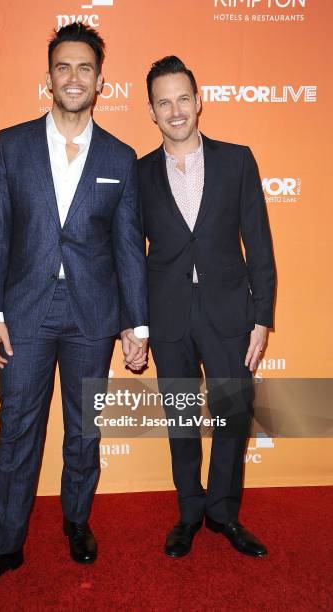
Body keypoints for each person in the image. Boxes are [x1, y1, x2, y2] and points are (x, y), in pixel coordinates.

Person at [0, 23, 148, 596]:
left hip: (94, 314)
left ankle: (76, 521)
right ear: (48, 78)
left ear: (99, 83)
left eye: (85, 68)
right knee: (17, 429)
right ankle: (3, 547)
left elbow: (128, 247)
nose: (73, 77)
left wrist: (136, 325)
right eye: (63, 67)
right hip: (24, 313)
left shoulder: (120, 155)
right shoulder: (10, 144)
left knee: (84, 429)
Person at [135, 56, 275, 559]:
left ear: (200, 101)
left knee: (233, 417)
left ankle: (224, 513)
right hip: (168, 313)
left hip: (230, 312)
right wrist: (135, 324)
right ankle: (189, 512)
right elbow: (131, 253)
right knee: (180, 419)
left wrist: (262, 317)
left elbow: (259, 242)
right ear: (152, 111)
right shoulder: (139, 173)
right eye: (163, 101)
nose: (175, 110)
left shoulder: (238, 160)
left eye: (183, 98)